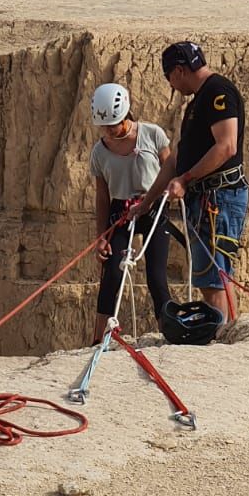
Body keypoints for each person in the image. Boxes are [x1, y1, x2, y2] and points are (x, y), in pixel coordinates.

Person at [135, 41, 248, 322]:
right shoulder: (200, 100)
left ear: (179, 70)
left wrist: (185, 179)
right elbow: (176, 159)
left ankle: (221, 332)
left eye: (169, 78)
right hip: (207, 198)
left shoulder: (217, 92)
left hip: (217, 197)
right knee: (216, 275)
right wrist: (147, 203)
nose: (172, 86)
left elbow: (226, 146)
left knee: (212, 278)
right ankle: (227, 330)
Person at [89, 82, 173, 343]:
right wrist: (101, 237)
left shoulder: (153, 135)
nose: (108, 130)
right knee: (113, 273)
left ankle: (168, 333)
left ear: (125, 115)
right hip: (122, 212)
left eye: (112, 124)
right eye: (104, 126)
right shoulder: (99, 152)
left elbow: (170, 171)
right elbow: (102, 197)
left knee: (156, 276)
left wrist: (154, 198)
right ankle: (97, 340)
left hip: (154, 206)